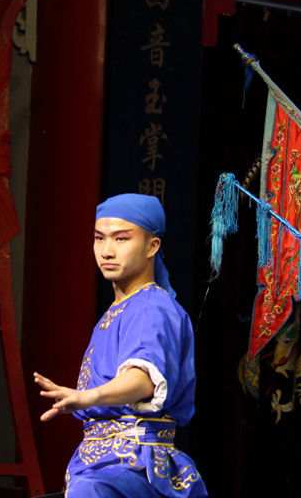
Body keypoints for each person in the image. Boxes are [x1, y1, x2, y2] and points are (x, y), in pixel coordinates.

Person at [34, 193, 207, 498]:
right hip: (104, 464)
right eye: (99, 239)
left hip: (135, 466)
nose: (107, 251)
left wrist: (89, 397)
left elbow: (143, 379)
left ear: (153, 246)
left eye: (121, 239)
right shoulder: (122, 308)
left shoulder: (150, 307)